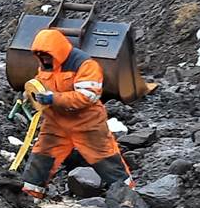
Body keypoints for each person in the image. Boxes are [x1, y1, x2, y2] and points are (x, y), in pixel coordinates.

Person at [18, 29, 129, 198]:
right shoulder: (46, 64)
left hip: (87, 122)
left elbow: (87, 96)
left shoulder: (84, 64)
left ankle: (127, 196)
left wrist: (54, 98)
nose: (44, 60)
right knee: (42, 156)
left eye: (47, 55)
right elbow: (40, 83)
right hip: (56, 122)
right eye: (40, 56)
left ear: (57, 51)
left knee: (105, 160)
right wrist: (29, 94)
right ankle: (29, 195)